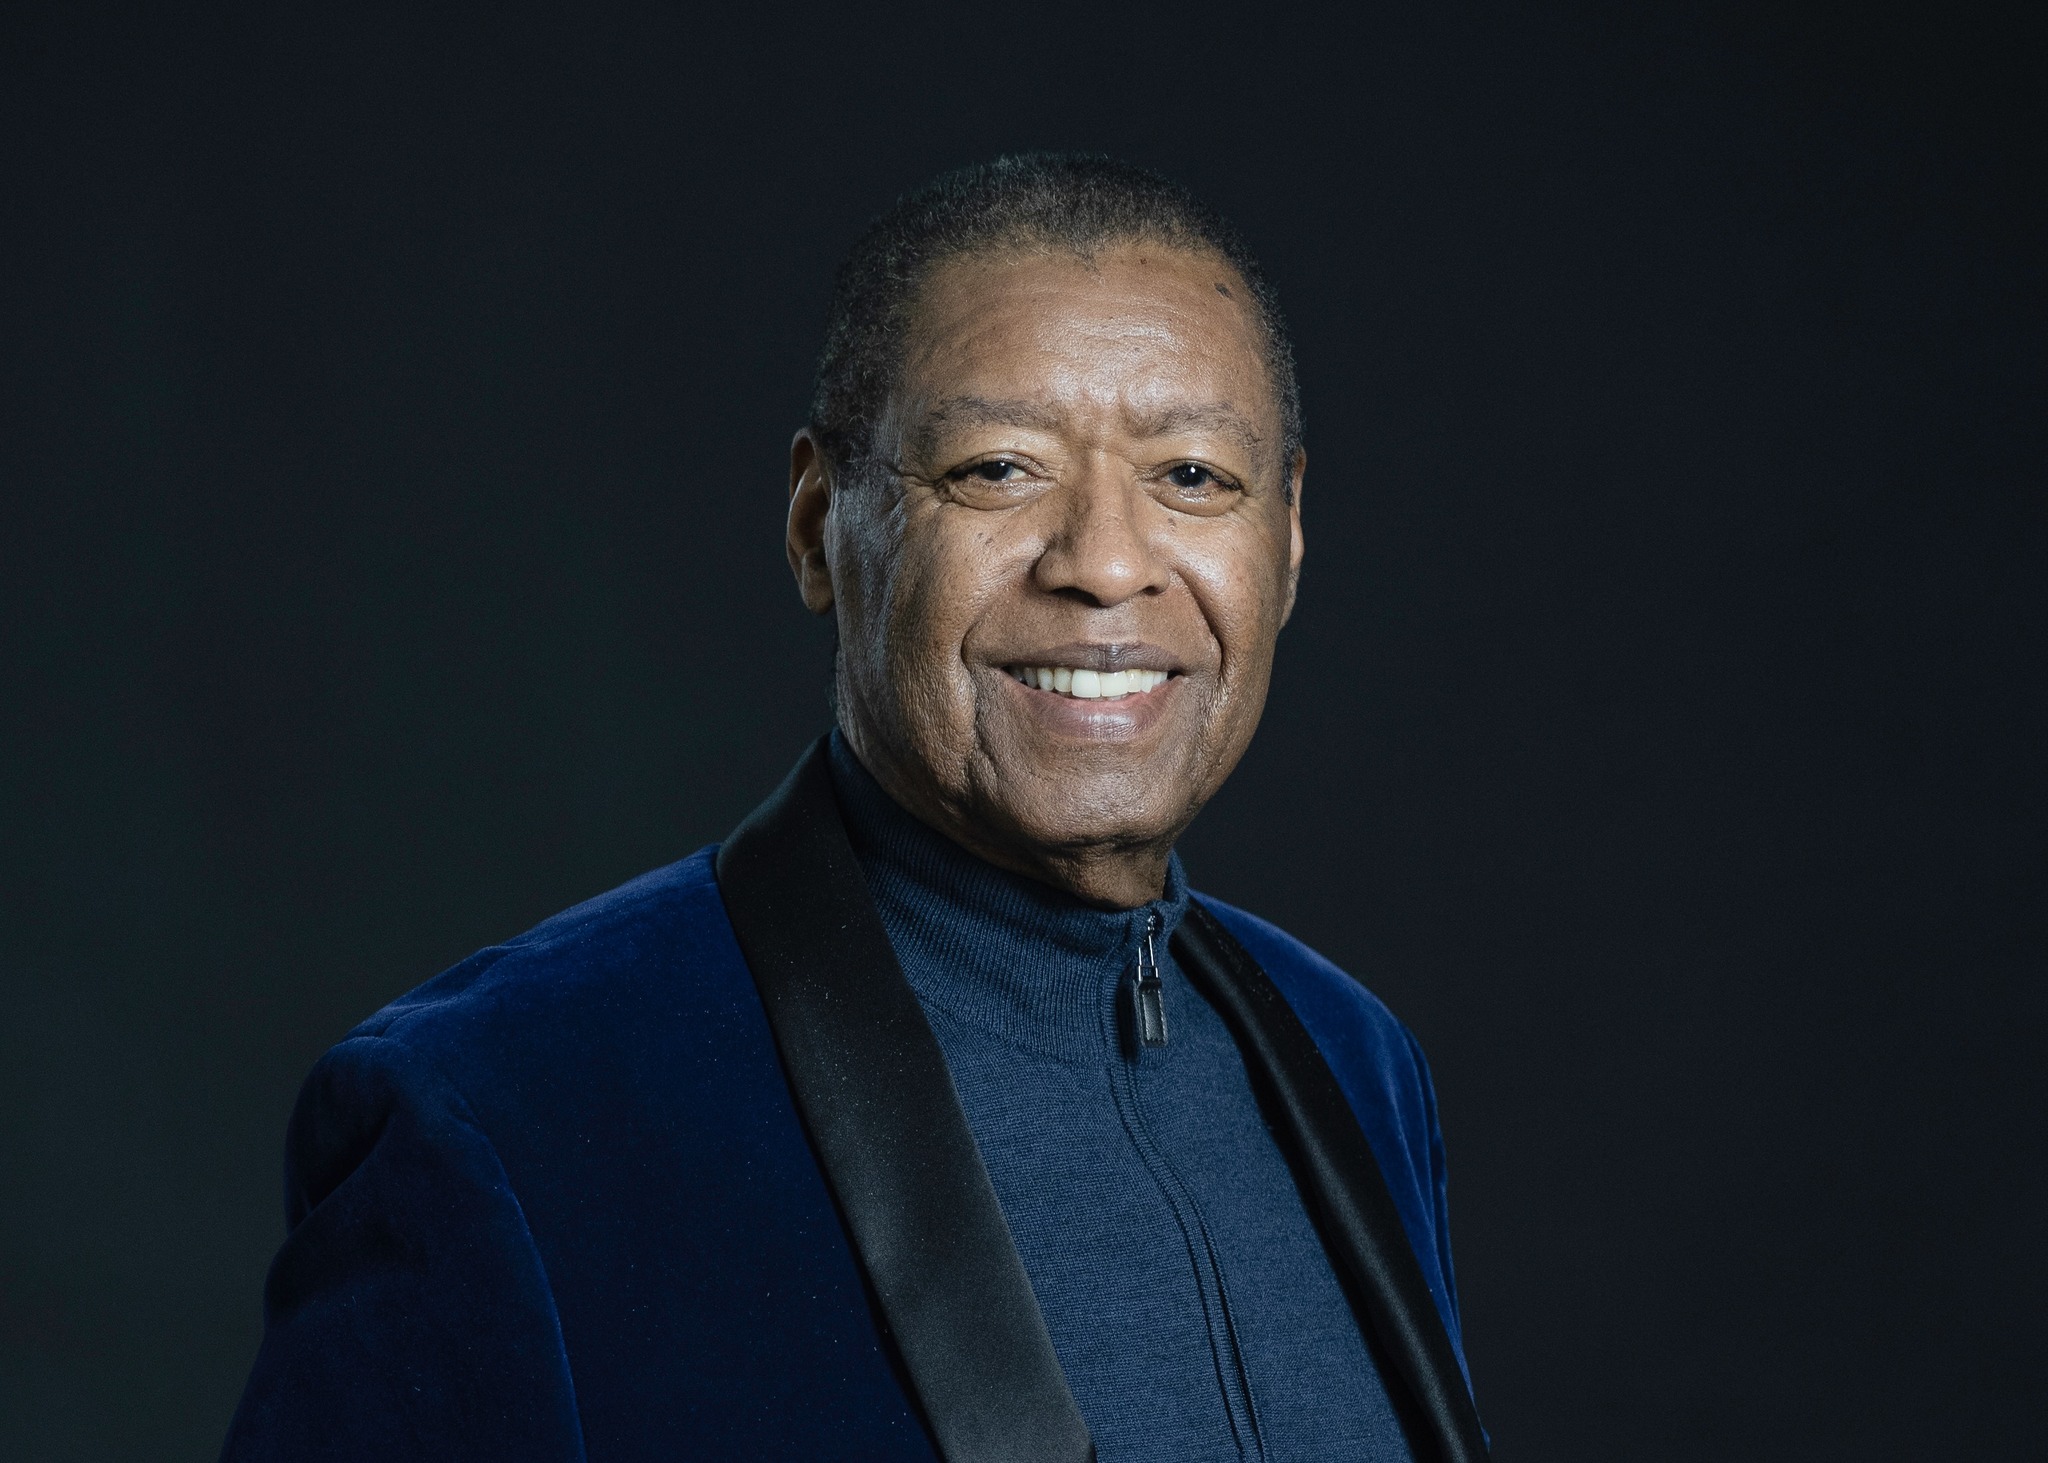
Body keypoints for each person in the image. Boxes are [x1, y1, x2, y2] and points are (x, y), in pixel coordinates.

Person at [221, 154, 1487, 1463]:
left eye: (1195, 476)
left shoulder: (1356, 1060)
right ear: (819, 521)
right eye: (999, 468)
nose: (1106, 563)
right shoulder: (504, 1109)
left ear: (1287, 537)